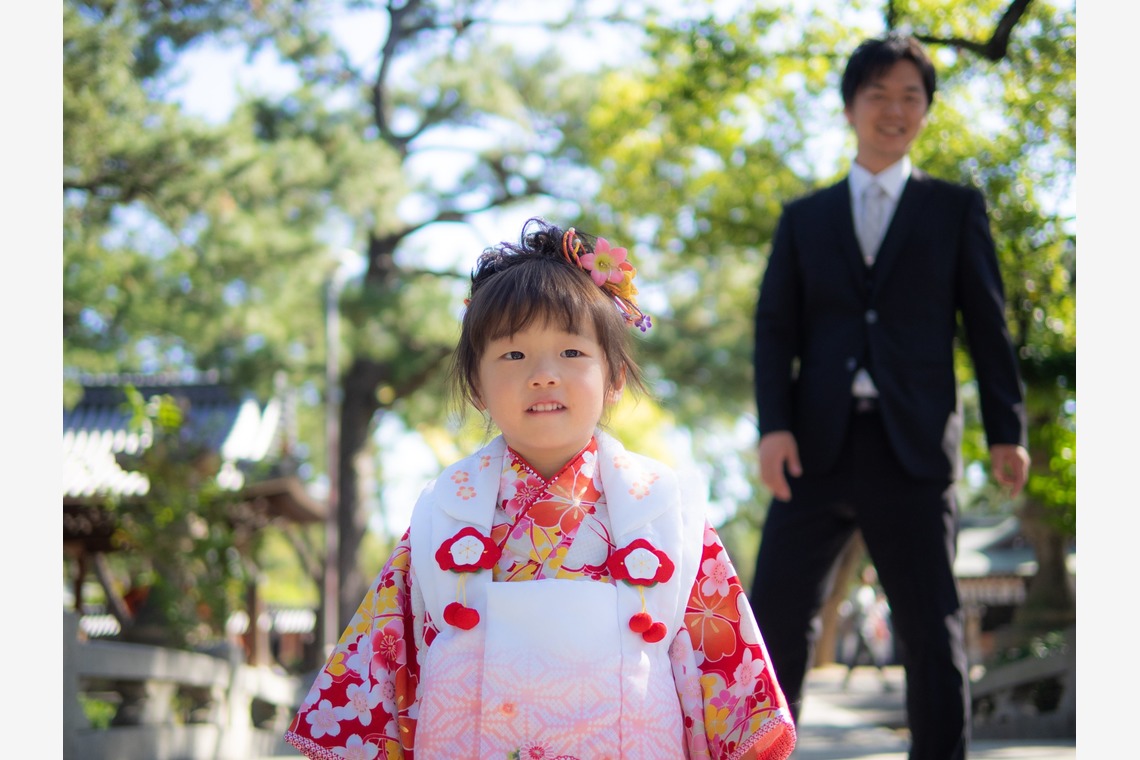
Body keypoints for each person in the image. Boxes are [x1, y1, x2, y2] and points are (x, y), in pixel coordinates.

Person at [285, 218, 797, 759]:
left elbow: (718, 673)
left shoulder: (665, 511)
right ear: (477, 386)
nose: (544, 374)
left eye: (573, 353)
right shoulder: (443, 513)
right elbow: (387, 667)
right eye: (513, 355)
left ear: (615, 378)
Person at [748, 33, 1030, 760]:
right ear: (850, 107)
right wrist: (773, 428)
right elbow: (776, 330)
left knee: (931, 628)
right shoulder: (803, 219)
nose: (895, 109)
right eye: (879, 94)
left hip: (913, 446)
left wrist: (1008, 430)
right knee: (772, 617)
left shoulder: (954, 208)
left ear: (927, 111)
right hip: (813, 446)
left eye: (912, 96)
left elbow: (987, 326)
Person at [838, 565, 893, 691]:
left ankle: (884, 681)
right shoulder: (859, 592)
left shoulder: (874, 592)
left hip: (869, 629)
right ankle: (847, 681)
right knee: (861, 657)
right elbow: (852, 610)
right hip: (860, 629)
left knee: (875, 656)